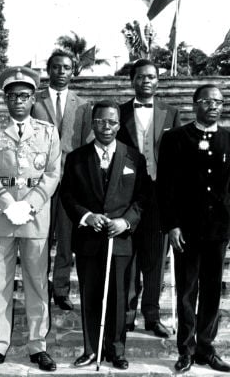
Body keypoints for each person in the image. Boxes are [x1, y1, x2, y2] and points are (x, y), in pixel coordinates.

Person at [0, 66, 61, 372]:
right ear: (5, 98)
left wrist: (31, 204)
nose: (18, 102)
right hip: (2, 214)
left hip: (34, 217)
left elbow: (52, 173)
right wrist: (5, 202)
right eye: (11, 96)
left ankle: (38, 346)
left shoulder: (48, 131)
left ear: (33, 98)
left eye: (24, 96)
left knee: (37, 283)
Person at [157, 84, 230, 373]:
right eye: (207, 101)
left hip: (218, 228)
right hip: (187, 229)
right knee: (186, 291)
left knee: (211, 291)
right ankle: (186, 350)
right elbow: (166, 187)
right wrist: (171, 225)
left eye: (219, 102)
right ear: (195, 104)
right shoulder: (176, 139)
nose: (214, 106)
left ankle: (207, 348)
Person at [60, 100, 149, 370]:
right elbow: (68, 195)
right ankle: (91, 349)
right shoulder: (77, 157)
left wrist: (126, 222)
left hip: (121, 240)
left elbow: (143, 198)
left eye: (111, 122)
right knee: (90, 294)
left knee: (120, 296)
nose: (106, 127)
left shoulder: (134, 157)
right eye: (100, 122)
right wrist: (87, 216)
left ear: (119, 125)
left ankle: (116, 349)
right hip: (89, 239)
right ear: (92, 124)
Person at [117, 58, 180, 338]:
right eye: (141, 77)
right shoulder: (118, 113)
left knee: (155, 258)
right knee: (128, 257)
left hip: (159, 194)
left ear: (158, 80)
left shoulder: (171, 112)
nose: (146, 81)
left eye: (152, 77)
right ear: (132, 80)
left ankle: (152, 316)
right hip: (128, 195)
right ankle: (127, 314)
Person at [31, 49, 92, 311]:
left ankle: (61, 289)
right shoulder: (35, 101)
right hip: (40, 181)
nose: (61, 72)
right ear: (48, 70)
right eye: (56, 67)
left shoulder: (83, 105)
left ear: (72, 71)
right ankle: (39, 287)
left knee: (66, 239)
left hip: (69, 182)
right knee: (39, 237)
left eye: (66, 67)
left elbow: (86, 142)